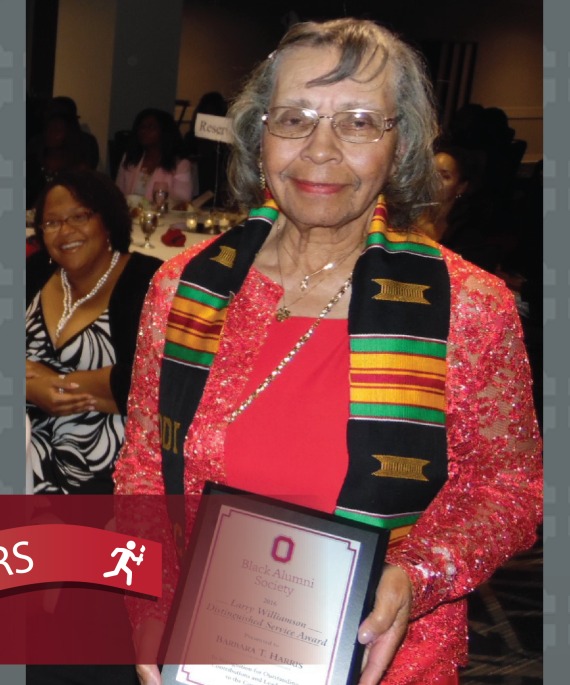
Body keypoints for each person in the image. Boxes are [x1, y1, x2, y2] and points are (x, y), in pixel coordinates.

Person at [114, 18, 542, 685]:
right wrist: (144, 601)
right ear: (260, 136)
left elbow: (512, 489)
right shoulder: (183, 291)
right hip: (206, 652)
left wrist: (420, 572)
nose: (321, 149)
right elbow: (143, 463)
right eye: (295, 118)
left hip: (383, 664)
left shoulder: (468, 307)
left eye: (359, 121)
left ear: (400, 146)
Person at [26, 170, 162, 494]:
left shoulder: (148, 280)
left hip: (108, 471)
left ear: (108, 220)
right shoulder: (33, 272)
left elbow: (149, 381)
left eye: (79, 216)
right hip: (22, 452)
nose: (65, 231)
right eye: (52, 222)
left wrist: (51, 385)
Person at [417, 144, 498, 272]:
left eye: (445, 176)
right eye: (431, 173)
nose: (434, 181)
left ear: (461, 187)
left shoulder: (466, 234)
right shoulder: (409, 214)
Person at [115, 108, 193, 205]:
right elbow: (117, 193)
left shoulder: (180, 164)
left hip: (164, 218)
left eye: (151, 127)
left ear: (164, 131)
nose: (144, 131)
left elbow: (182, 201)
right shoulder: (130, 158)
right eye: (141, 127)